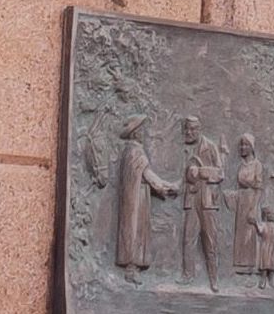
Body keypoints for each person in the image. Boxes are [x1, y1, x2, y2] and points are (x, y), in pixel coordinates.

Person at [113, 114, 178, 271]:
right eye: (141, 130)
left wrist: (165, 185)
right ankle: (131, 265)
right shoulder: (135, 152)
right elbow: (149, 176)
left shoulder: (130, 151)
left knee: (135, 228)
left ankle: (133, 266)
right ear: (135, 133)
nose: (144, 133)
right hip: (137, 197)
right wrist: (167, 186)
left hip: (137, 194)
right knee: (135, 228)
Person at [179, 116, 226, 288]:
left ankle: (214, 279)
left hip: (207, 200)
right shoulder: (185, 149)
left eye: (192, 129)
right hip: (191, 199)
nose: (189, 133)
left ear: (199, 129)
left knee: (210, 239)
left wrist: (200, 171)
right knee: (188, 238)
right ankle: (187, 275)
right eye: (187, 129)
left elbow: (221, 173)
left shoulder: (210, 147)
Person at [232, 134, 263, 275]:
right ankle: (240, 265)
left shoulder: (257, 165)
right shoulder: (241, 165)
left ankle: (251, 266)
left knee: (250, 233)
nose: (242, 147)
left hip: (251, 199)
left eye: (245, 145)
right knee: (240, 232)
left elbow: (258, 188)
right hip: (241, 200)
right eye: (241, 145)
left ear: (252, 147)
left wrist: (254, 208)